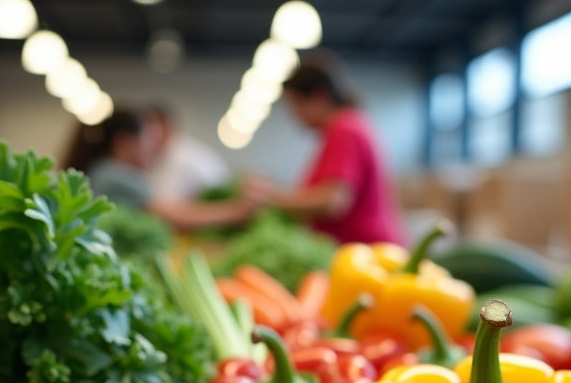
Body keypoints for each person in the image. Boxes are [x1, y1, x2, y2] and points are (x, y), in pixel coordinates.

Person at [243, 57, 405, 245]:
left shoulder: (344, 128)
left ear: (321, 95)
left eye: (297, 104)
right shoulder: (348, 126)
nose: (295, 115)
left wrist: (271, 198)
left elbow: (333, 202)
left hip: (367, 254)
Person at [62, 110, 250, 231]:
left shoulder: (103, 170)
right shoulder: (117, 176)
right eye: (147, 141)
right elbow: (172, 217)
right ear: (124, 143)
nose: (152, 149)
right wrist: (237, 210)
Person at [144, 106, 231, 201]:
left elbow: (166, 204)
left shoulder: (179, 158)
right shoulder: (184, 149)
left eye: (149, 130)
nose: (144, 137)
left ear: (165, 126)